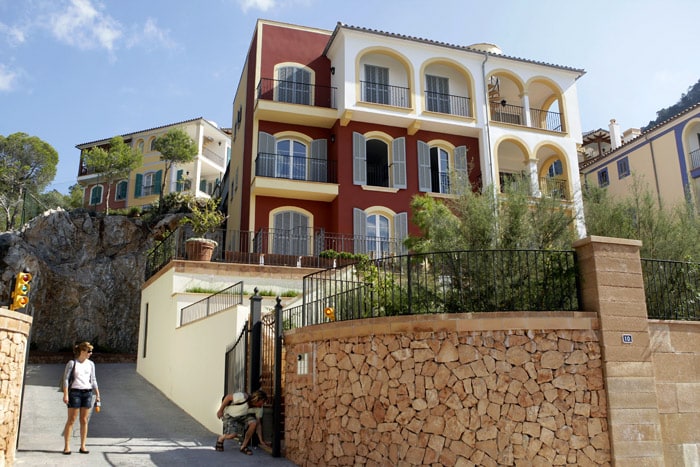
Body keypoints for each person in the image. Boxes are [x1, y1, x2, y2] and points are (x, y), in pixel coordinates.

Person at [61, 341, 100, 455]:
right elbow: (66, 380)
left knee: (84, 420)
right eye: (89, 351)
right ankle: (67, 447)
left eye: (91, 351)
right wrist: (66, 394)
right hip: (74, 393)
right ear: (82, 351)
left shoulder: (91, 364)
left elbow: (93, 379)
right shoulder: (72, 363)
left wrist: (97, 394)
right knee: (71, 419)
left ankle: (83, 446)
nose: (90, 353)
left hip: (87, 393)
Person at [215, 389, 269, 455]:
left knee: (254, 423)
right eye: (262, 402)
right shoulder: (243, 397)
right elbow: (228, 397)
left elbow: (258, 424)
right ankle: (221, 438)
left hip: (242, 416)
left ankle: (244, 446)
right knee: (232, 435)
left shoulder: (259, 408)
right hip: (230, 415)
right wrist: (220, 410)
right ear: (257, 399)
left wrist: (261, 440)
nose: (263, 404)